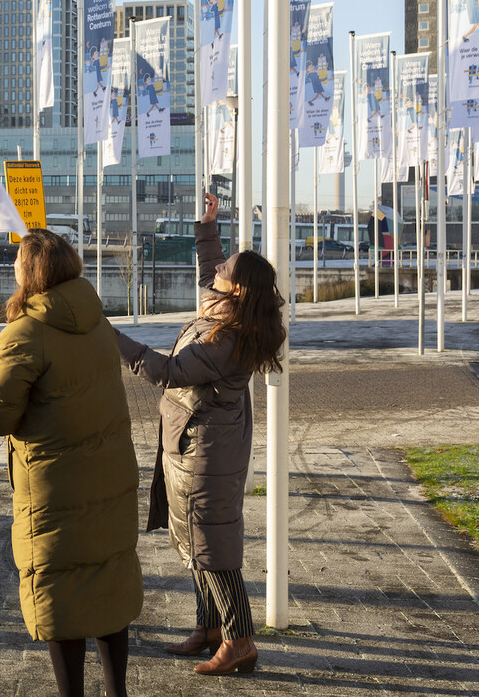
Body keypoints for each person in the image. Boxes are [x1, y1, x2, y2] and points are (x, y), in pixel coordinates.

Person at [113, 192, 286, 677]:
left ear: (237, 291)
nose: (219, 268)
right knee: (193, 535)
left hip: (207, 448)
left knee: (212, 543)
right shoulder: (229, 310)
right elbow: (210, 266)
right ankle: (210, 628)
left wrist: (110, 338)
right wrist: (207, 227)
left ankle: (239, 640)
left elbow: (167, 371)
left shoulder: (229, 339)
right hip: (193, 442)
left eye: (227, 268)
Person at [0, 229, 142, 697]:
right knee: (107, 584)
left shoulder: (25, 334)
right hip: (109, 478)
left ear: (30, 273)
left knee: (63, 595)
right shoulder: (98, 322)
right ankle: (117, 692)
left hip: (55, 491)